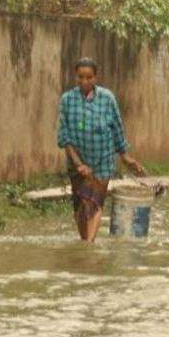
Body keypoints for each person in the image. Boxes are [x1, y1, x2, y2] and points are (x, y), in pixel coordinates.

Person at [57, 57, 145, 242]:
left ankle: (88, 247)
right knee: (80, 207)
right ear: (76, 77)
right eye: (81, 77)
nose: (84, 81)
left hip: (102, 161)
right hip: (77, 162)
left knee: (94, 204)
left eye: (89, 77)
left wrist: (125, 156)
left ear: (96, 78)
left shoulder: (107, 99)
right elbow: (64, 137)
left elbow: (117, 128)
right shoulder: (67, 100)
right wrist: (79, 164)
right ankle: (85, 241)